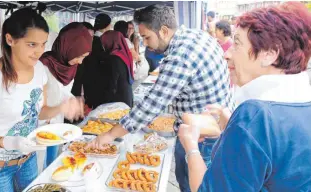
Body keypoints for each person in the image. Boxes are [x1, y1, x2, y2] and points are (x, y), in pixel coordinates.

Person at [89, 4, 234, 192]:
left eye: (147, 37)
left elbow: (151, 105)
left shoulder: (182, 54)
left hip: (203, 137)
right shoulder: (196, 36)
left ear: (164, 31)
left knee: (194, 186)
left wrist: (109, 135)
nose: (146, 44)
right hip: (210, 127)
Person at [178, 2, 311, 191]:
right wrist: (231, 129)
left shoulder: (255, 116)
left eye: (237, 44)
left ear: (269, 54)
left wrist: (190, 146)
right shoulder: (299, 103)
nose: (227, 54)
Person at [0, 8, 83, 192]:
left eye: (43, 44)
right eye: (31, 44)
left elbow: (40, 110)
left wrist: (61, 108)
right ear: (10, 39)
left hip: (27, 159)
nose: (39, 52)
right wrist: (9, 142)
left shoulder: (40, 70)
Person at [39, 23, 92, 168]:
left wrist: (73, 103)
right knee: (40, 166)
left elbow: (63, 91)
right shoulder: (42, 66)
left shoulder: (69, 66)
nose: (80, 61)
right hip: (40, 125)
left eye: (84, 57)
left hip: (57, 123)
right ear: (68, 47)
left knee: (52, 162)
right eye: (79, 56)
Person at [71, 14, 111, 109]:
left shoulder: (94, 44)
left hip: (88, 88)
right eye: (87, 36)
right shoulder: (71, 55)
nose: (90, 40)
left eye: (91, 37)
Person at [100, 30, 134, 107]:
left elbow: (112, 83)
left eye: (104, 42)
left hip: (118, 100)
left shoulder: (114, 58)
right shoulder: (123, 55)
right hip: (126, 95)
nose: (103, 46)